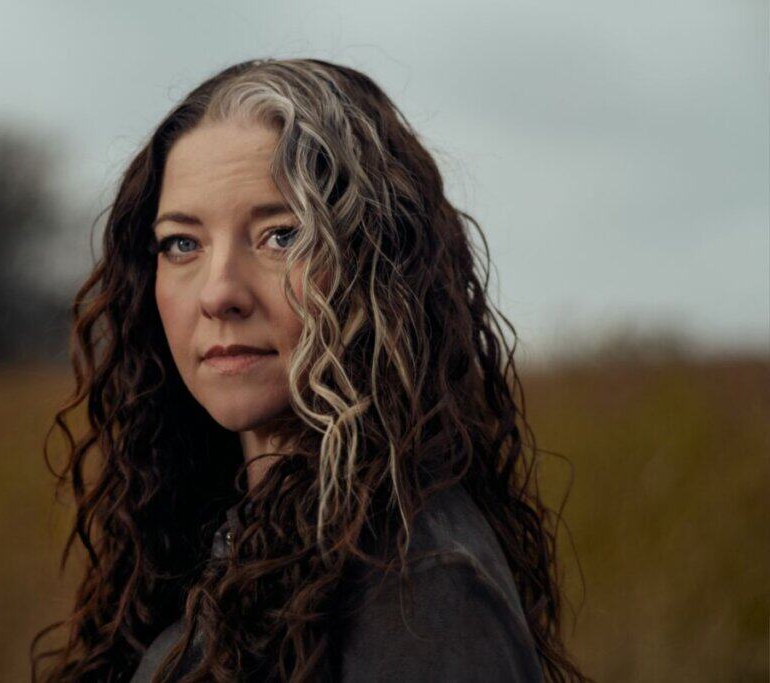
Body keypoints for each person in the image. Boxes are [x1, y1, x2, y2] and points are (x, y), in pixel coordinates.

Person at [31, 58, 590, 682]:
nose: (219, 294)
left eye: (282, 236)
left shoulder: (417, 584)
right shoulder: (199, 539)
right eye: (182, 244)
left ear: (378, 269)